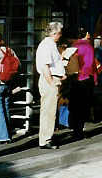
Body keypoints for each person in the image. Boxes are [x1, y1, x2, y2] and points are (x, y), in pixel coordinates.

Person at [35, 21, 66, 149]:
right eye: (59, 33)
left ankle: (46, 138)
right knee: (49, 111)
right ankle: (46, 139)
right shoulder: (47, 45)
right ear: (54, 33)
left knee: (49, 110)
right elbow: (45, 66)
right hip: (50, 80)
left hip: (52, 79)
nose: (60, 35)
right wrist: (52, 82)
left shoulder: (49, 44)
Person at [0, 31, 19, 144]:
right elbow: (18, 64)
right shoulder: (10, 50)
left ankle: (3, 137)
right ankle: (9, 134)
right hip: (9, 83)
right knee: (6, 107)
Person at [70, 28, 95, 137]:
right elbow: (89, 64)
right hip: (84, 78)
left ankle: (74, 128)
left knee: (75, 104)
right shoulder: (88, 46)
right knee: (83, 105)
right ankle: (79, 130)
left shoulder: (73, 45)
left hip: (73, 78)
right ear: (87, 34)